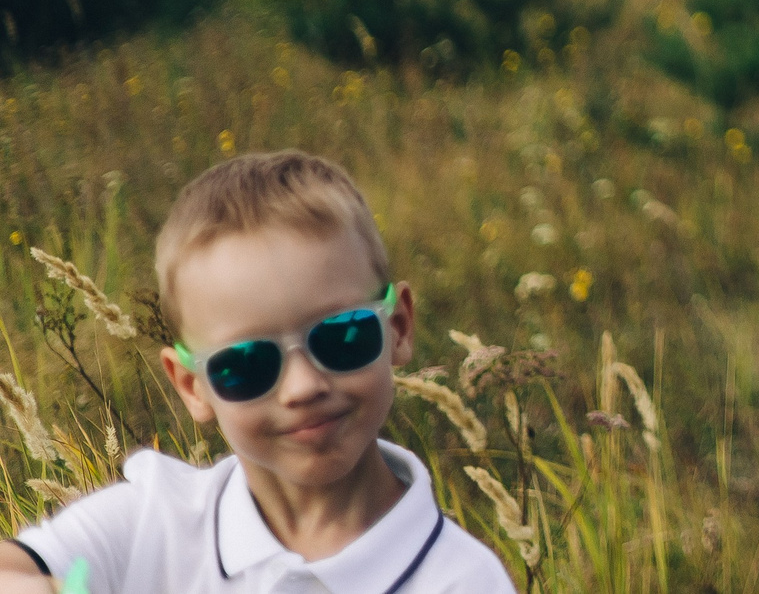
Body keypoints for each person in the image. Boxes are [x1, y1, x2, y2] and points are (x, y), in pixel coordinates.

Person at [0, 150, 514, 594]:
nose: (303, 386)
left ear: (398, 327)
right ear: (192, 386)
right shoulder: (153, 524)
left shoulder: (461, 580)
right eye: (245, 365)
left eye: (342, 336)